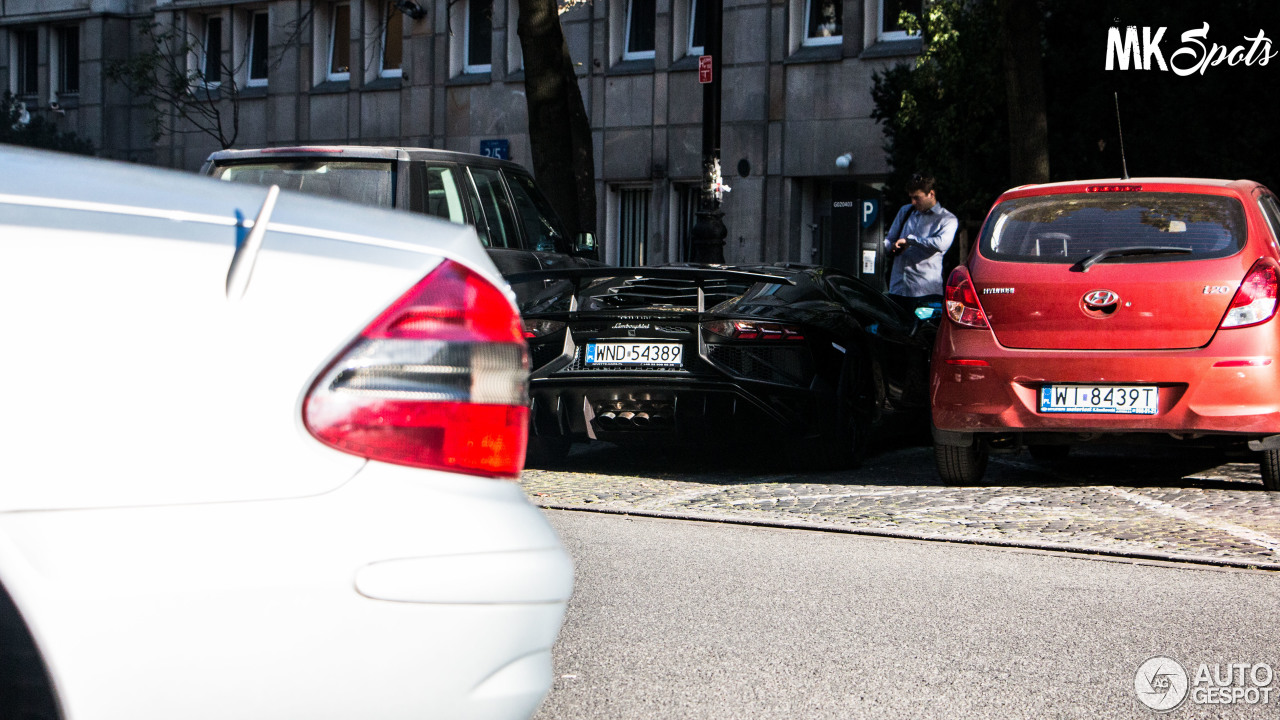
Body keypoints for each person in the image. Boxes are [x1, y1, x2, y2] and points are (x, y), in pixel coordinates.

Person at [884, 173, 958, 316]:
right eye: (911, 197)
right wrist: (888, 246)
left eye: (916, 197)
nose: (913, 202)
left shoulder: (946, 219)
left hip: (925, 292)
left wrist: (910, 240)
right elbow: (890, 239)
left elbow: (941, 244)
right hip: (898, 289)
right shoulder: (906, 211)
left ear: (931, 194)